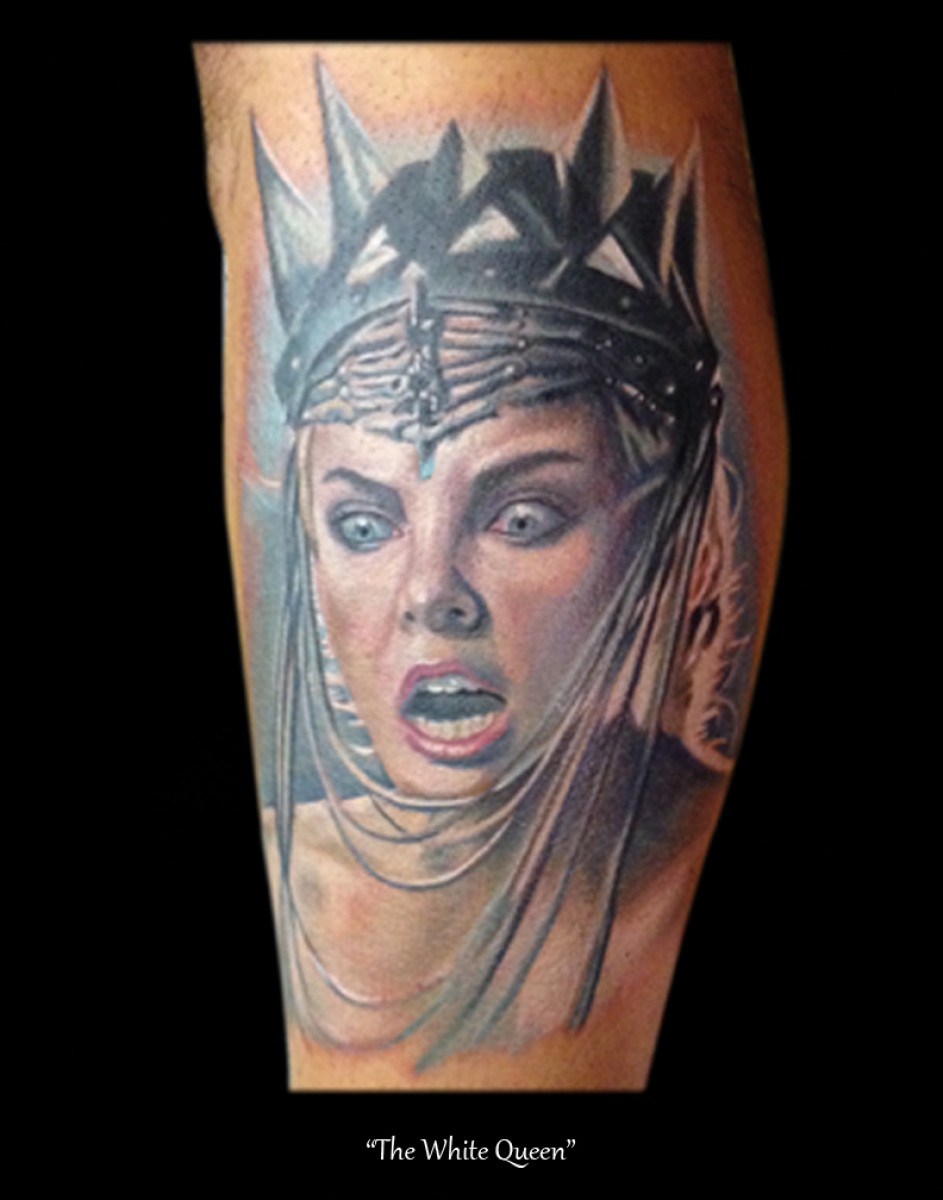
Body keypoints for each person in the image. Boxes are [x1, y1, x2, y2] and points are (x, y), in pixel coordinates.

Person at [194, 44, 786, 1089]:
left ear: (692, 541)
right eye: (363, 524)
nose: (431, 596)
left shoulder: (615, 903)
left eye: (520, 516)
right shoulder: (316, 868)